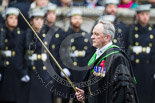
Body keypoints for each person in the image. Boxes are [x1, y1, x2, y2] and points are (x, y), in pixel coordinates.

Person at [75, 21, 139, 103]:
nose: (92, 37)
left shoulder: (118, 58)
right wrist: (86, 95)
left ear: (107, 37)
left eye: (96, 34)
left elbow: (122, 91)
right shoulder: (97, 55)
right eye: (92, 33)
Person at [49, 8, 95, 103]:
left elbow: (90, 54)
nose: (78, 20)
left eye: (79, 18)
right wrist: (62, 68)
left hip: (80, 73)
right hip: (67, 72)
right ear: (70, 19)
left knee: (79, 98)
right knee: (64, 98)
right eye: (75, 18)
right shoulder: (63, 35)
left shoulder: (86, 36)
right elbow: (58, 54)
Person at [127, 4, 155, 103]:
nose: (145, 17)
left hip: (149, 69)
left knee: (148, 95)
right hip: (135, 67)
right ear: (137, 15)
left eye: (147, 14)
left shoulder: (152, 31)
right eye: (142, 14)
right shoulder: (131, 30)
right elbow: (128, 49)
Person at [0, 7, 29, 103]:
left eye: (15, 18)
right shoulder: (2, 33)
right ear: (6, 19)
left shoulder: (21, 34)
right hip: (4, 71)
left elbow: (24, 53)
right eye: (11, 17)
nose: (13, 20)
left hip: (17, 71)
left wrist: (24, 71)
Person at [24, 8, 52, 103]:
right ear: (31, 21)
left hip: (44, 70)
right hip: (31, 69)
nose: (39, 22)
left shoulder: (48, 34)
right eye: (36, 19)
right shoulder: (27, 34)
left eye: (41, 19)